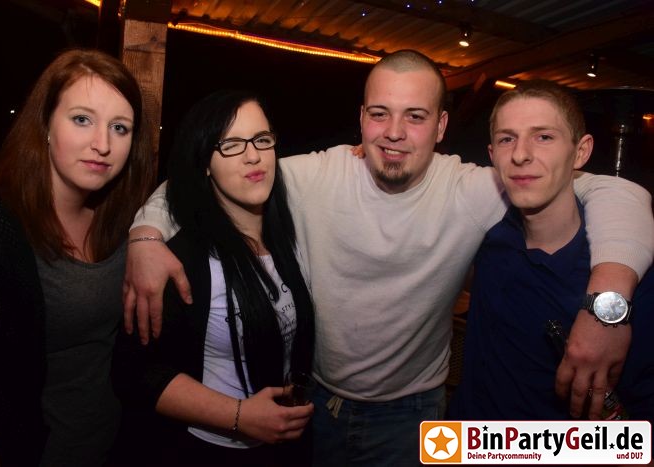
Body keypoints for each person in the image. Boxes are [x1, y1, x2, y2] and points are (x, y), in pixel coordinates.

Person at [123, 51, 653, 466]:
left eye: (415, 117)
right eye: (380, 114)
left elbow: (615, 190)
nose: (394, 132)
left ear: (441, 127)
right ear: (362, 119)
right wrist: (145, 238)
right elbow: (211, 177)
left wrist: (607, 302)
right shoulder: (318, 176)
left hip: (415, 417)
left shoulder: (475, 191)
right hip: (314, 406)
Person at [0, 48, 155, 466]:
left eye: (119, 128)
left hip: (112, 446)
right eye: (82, 119)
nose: (102, 144)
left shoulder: (120, 219)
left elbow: (185, 194)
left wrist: (148, 239)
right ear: (45, 123)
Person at [112, 90, 315, 466]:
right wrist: (240, 416)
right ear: (205, 162)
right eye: (231, 145)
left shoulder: (291, 239)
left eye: (261, 139)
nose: (253, 155)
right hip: (206, 450)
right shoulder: (182, 258)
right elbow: (135, 371)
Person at [448, 80, 654, 423]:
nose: (520, 154)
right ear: (492, 155)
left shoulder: (629, 279)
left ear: (581, 152)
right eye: (507, 139)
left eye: (543, 137)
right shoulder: (486, 237)